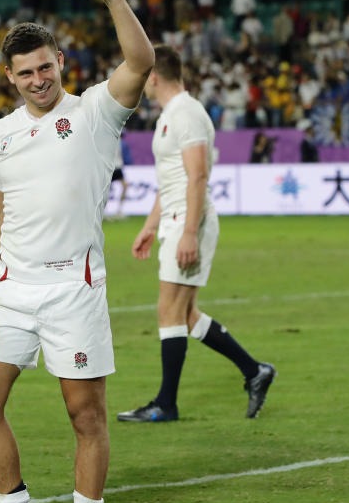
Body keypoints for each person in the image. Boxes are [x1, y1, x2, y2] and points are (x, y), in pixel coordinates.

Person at [0, 0, 154, 503]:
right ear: (9, 78)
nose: (37, 80)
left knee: (85, 416)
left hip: (75, 286)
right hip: (12, 289)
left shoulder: (97, 111)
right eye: (25, 73)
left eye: (45, 67)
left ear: (60, 63)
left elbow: (141, 60)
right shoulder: (1, 134)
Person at [117, 45, 276, 424]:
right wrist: (150, 225)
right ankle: (255, 371)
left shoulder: (186, 113)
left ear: (154, 76)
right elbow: (172, 180)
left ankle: (165, 404)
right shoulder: (173, 114)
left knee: (169, 311)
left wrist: (189, 232)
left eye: (144, 75)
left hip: (190, 221)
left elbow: (198, 176)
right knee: (185, 315)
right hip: (175, 218)